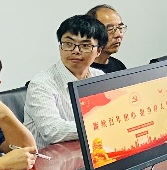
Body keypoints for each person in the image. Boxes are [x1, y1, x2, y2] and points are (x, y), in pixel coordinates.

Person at [24, 14, 106, 146]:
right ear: (60, 47)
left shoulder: (99, 77)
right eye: (68, 44)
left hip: (90, 150)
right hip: (50, 157)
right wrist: (99, 125)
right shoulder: (41, 84)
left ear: (98, 51)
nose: (76, 51)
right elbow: (52, 131)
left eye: (85, 45)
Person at [87, 4, 127, 74]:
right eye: (110, 29)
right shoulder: (81, 70)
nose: (118, 35)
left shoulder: (119, 67)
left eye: (120, 28)